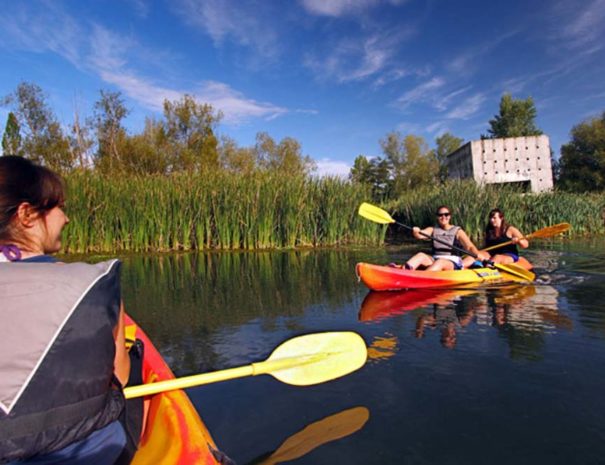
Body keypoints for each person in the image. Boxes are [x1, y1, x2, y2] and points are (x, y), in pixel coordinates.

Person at [0, 156, 139, 464]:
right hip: (93, 454)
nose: (66, 218)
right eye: (59, 207)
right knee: (134, 364)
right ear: (27, 214)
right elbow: (120, 377)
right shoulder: (94, 285)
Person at [404, 205, 482, 271]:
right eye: (440, 215)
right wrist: (416, 231)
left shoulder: (457, 231)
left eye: (446, 214)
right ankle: (404, 270)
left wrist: (477, 255)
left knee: (440, 262)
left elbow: (469, 247)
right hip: (434, 260)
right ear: (437, 217)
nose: (443, 217)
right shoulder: (433, 229)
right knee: (420, 255)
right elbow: (420, 235)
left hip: (452, 262)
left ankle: (422, 277)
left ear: (450, 216)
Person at [462, 208, 529, 268]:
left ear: (501, 218)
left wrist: (519, 241)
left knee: (497, 257)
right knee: (476, 254)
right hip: (492, 253)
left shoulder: (510, 229)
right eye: (491, 218)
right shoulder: (489, 230)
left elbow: (526, 244)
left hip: (509, 255)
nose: (492, 220)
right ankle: (460, 266)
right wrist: (478, 253)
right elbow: (487, 246)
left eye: (494, 218)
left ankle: (487, 269)